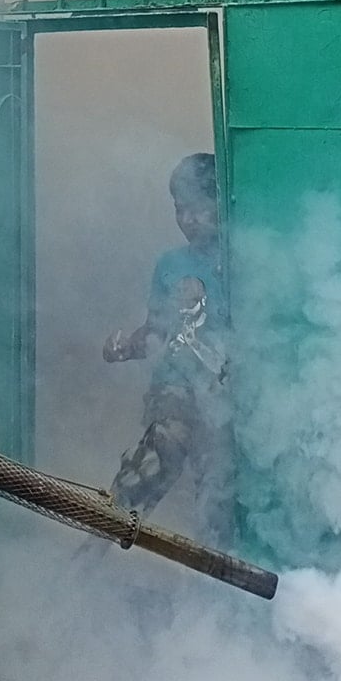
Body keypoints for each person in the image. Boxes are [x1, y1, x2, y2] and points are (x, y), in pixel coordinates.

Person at [102, 152, 233, 546]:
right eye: (181, 209)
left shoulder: (239, 260)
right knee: (144, 473)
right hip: (174, 391)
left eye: (199, 209)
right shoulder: (170, 264)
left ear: (222, 203)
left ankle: (215, 587)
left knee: (217, 497)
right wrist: (125, 347)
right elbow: (158, 331)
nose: (188, 220)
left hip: (225, 398)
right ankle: (93, 551)